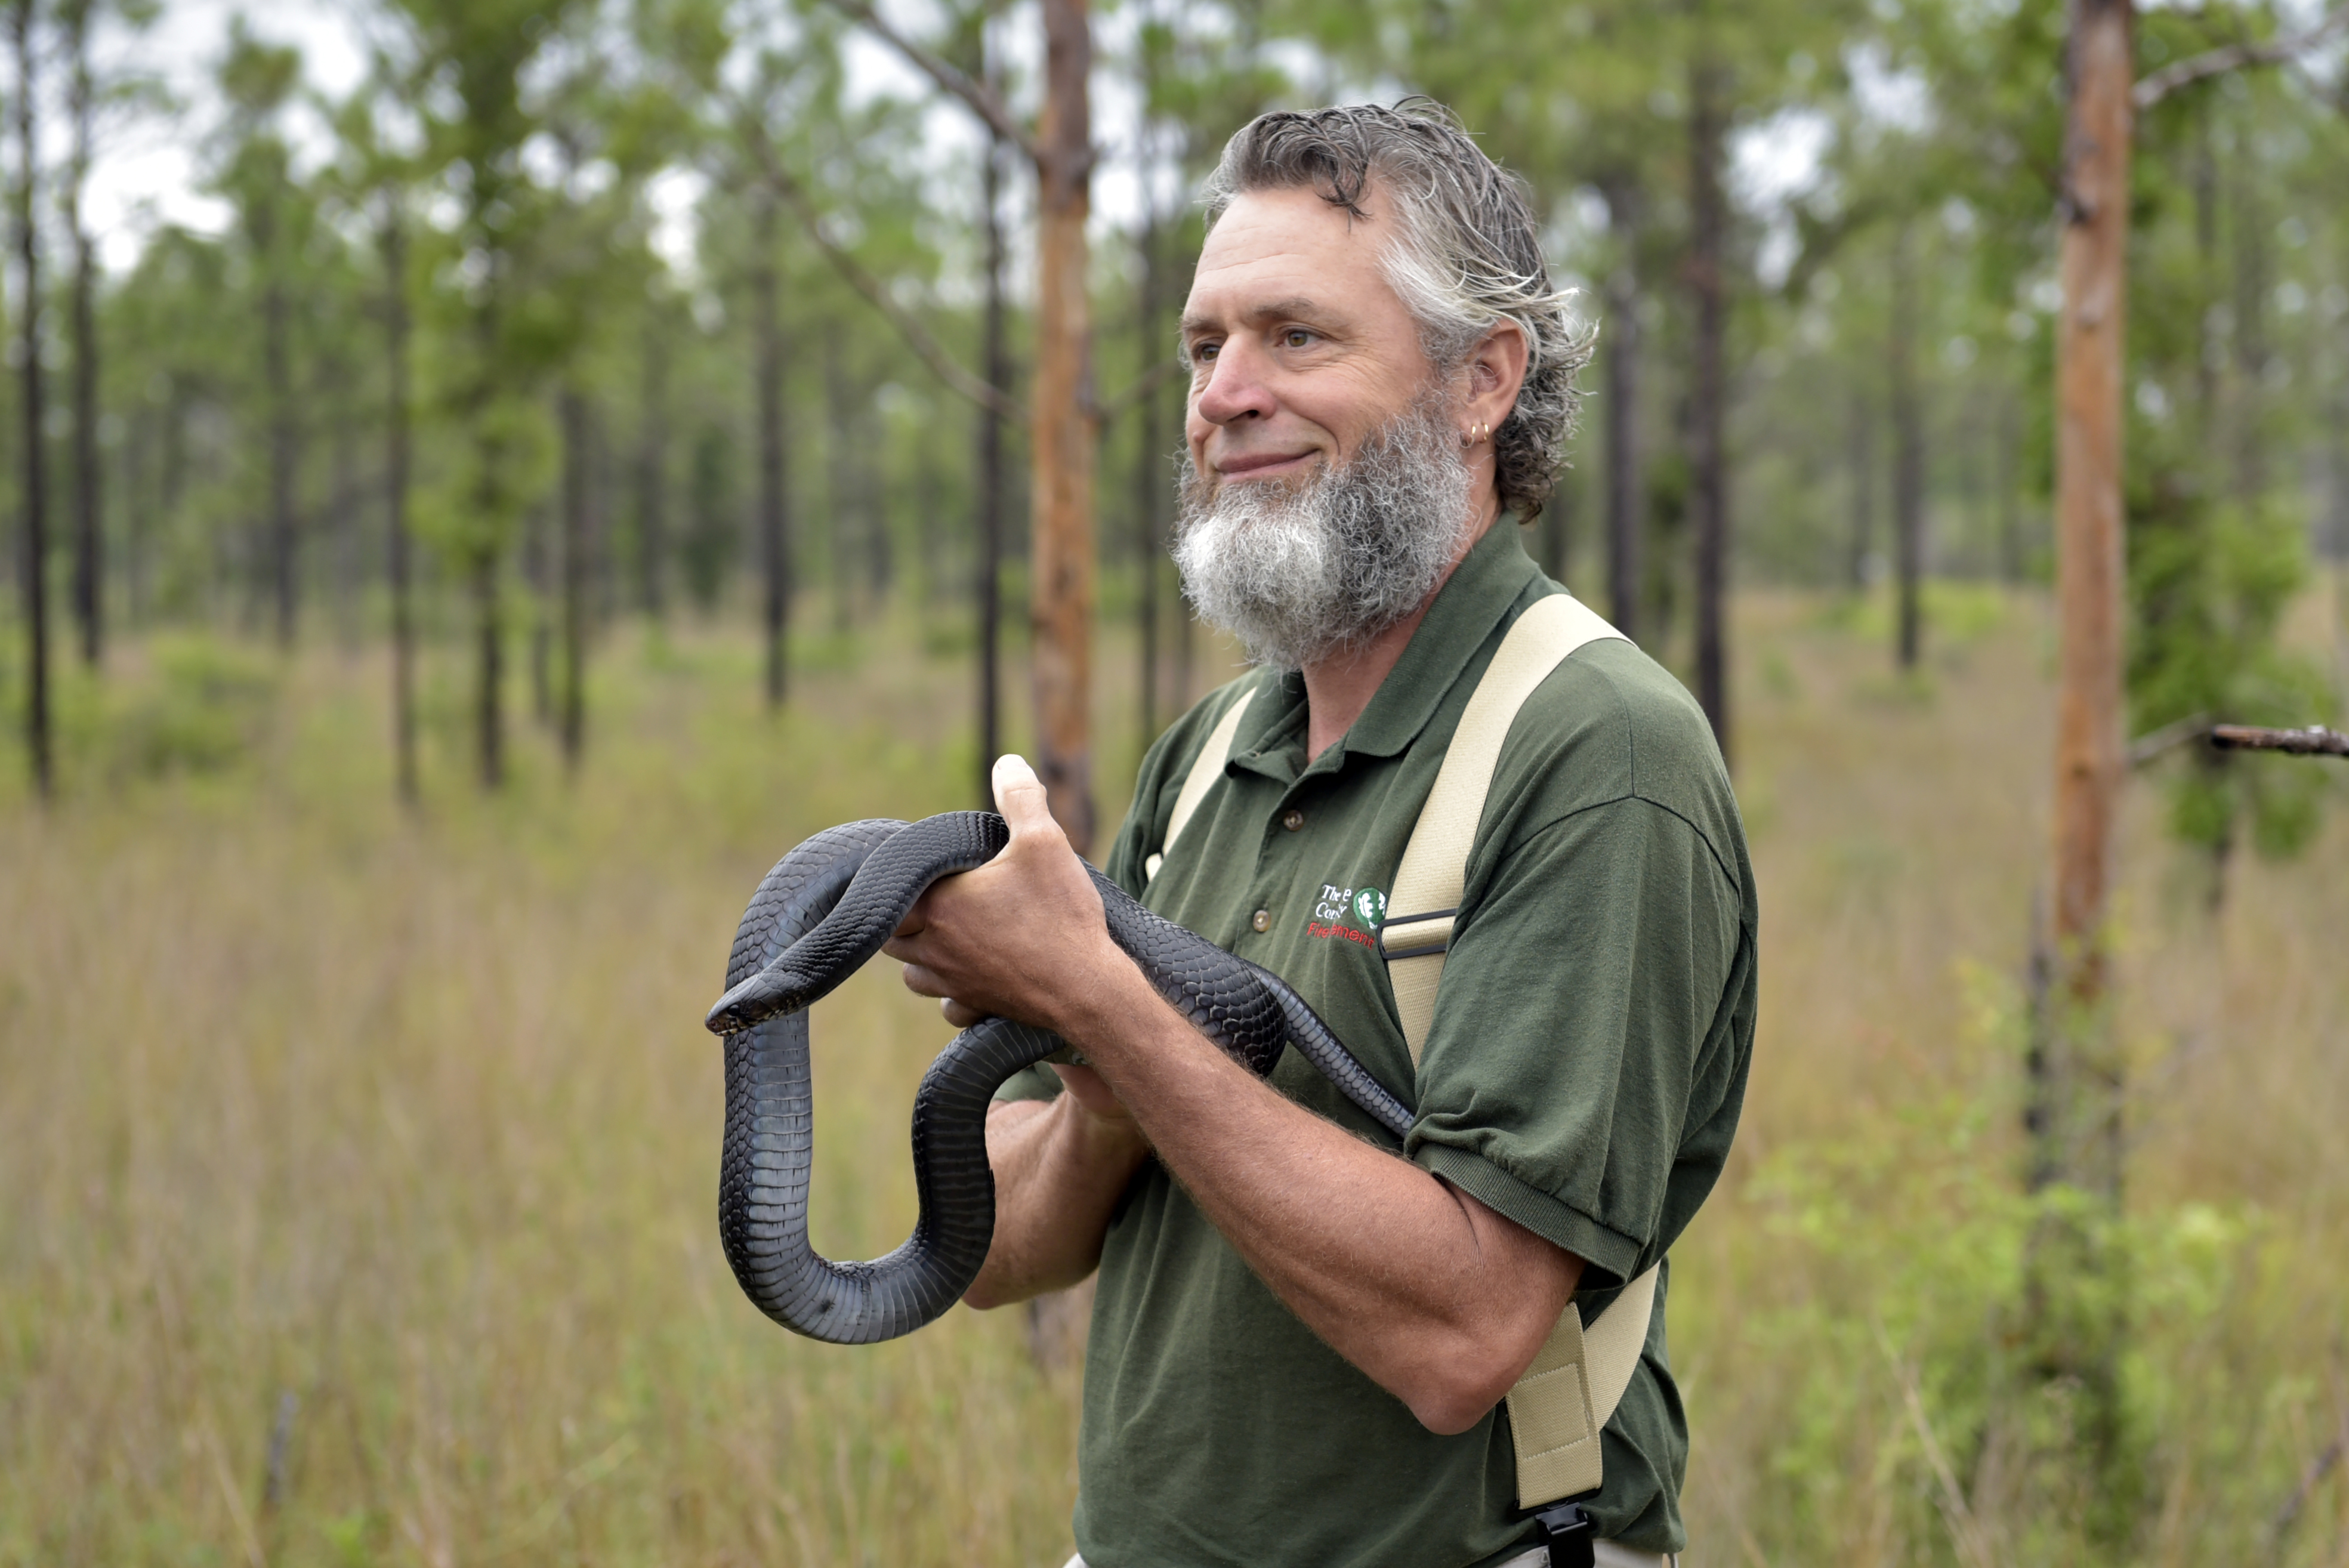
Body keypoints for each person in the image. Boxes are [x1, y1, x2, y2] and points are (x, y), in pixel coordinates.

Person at [885, 101, 1755, 1568]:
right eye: (1202, 346)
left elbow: (1466, 1332)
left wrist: (1103, 998)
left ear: (1484, 381)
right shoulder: (1216, 751)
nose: (1224, 394)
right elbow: (1008, 1253)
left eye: (1296, 338)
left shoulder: (1599, 751)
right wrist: (1100, 1067)